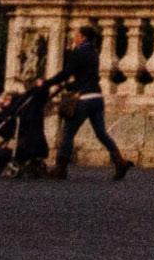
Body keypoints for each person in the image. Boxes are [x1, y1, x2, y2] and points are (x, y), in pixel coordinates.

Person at [52, 23, 131, 180]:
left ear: (83, 37)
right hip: (97, 97)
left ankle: (61, 168)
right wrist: (70, 85)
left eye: (76, 34)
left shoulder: (78, 52)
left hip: (84, 99)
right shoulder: (93, 52)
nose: (74, 37)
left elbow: (66, 73)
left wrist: (49, 83)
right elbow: (87, 77)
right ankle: (119, 162)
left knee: (68, 133)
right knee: (101, 133)